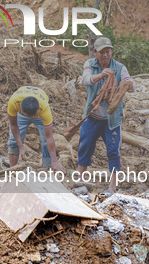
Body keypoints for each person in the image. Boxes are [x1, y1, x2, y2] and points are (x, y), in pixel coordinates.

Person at [77, 36, 134, 195]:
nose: (105, 55)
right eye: (102, 52)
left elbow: (131, 84)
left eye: (108, 52)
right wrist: (102, 75)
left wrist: (127, 83)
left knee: (113, 150)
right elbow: (86, 80)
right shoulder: (90, 64)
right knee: (85, 146)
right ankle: (80, 180)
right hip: (92, 116)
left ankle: (112, 186)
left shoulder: (120, 67)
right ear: (95, 52)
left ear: (111, 52)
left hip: (112, 119)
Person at [7, 86, 65, 172]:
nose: (32, 118)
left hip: (39, 115)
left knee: (46, 141)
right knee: (13, 141)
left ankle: (48, 168)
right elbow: (14, 125)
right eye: (29, 116)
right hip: (23, 113)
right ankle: (12, 170)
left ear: (37, 110)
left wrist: (55, 161)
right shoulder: (14, 102)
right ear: (22, 110)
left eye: (33, 115)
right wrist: (21, 147)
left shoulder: (44, 108)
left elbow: (49, 137)